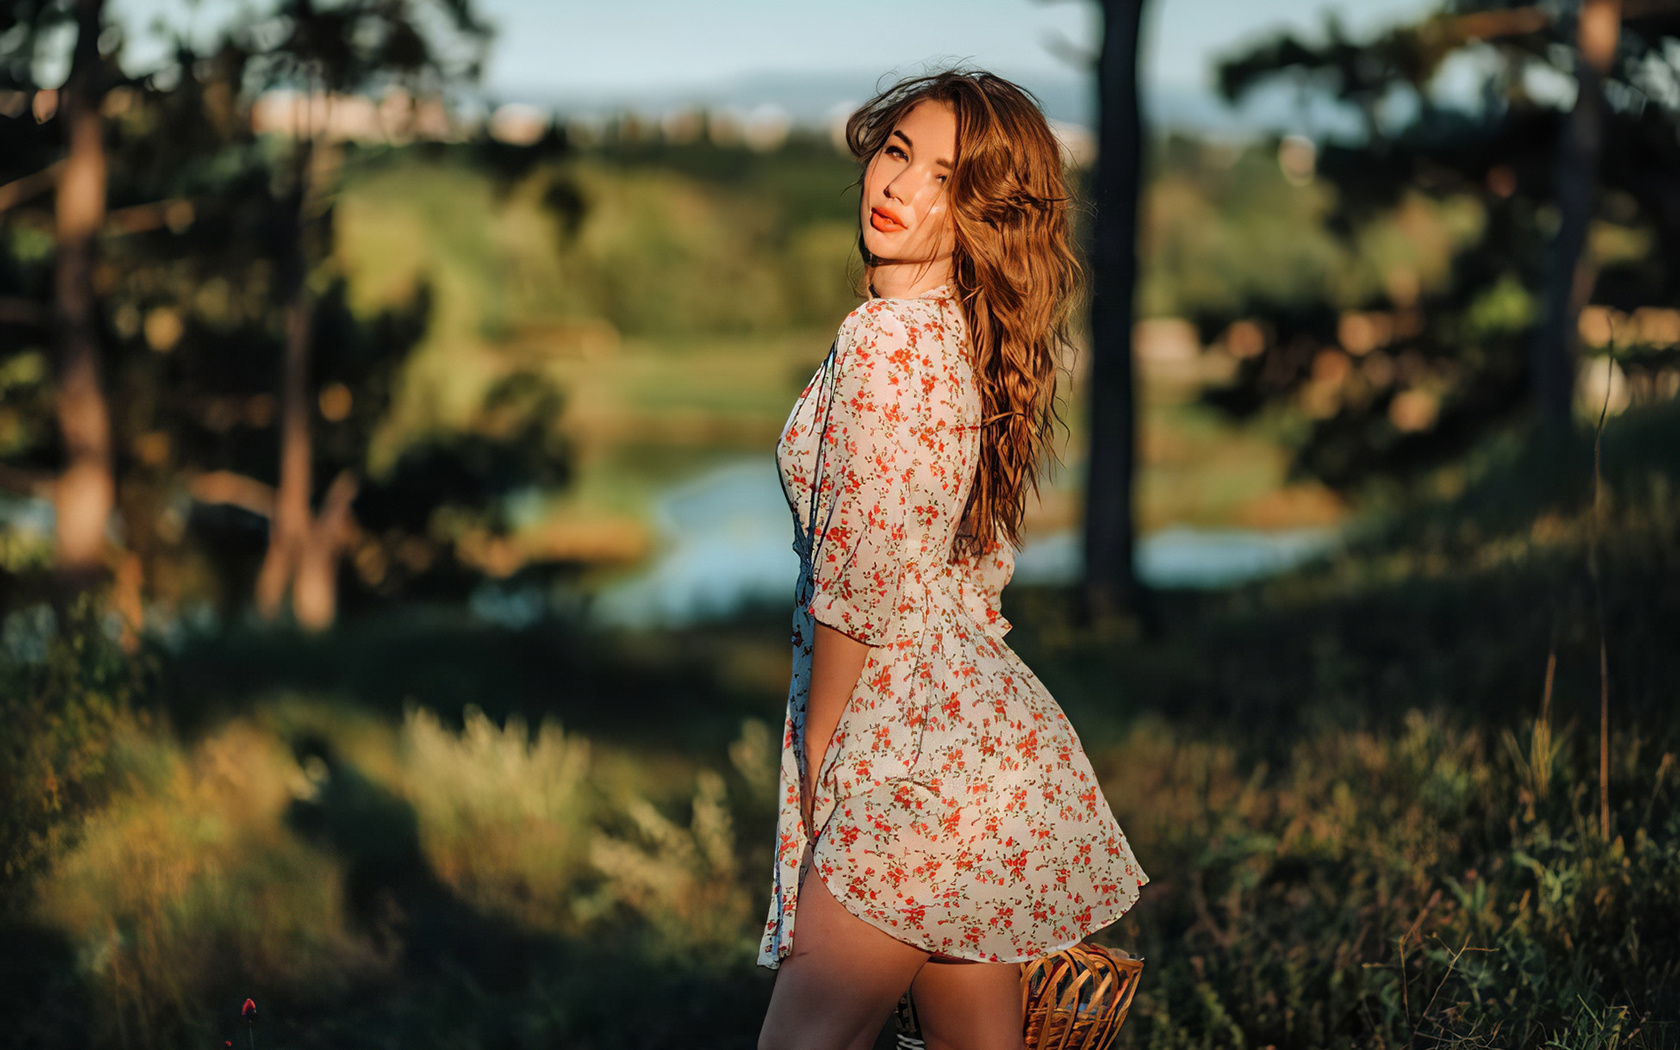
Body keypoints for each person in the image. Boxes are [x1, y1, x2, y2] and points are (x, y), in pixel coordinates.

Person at [757, 70, 1147, 1050]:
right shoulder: (963, 339)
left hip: (906, 764)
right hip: (986, 750)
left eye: (947, 179)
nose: (902, 189)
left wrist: (822, 766)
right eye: (898, 153)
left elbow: (855, 588)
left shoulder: (887, 343)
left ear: (984, 216)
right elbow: (972, 571)